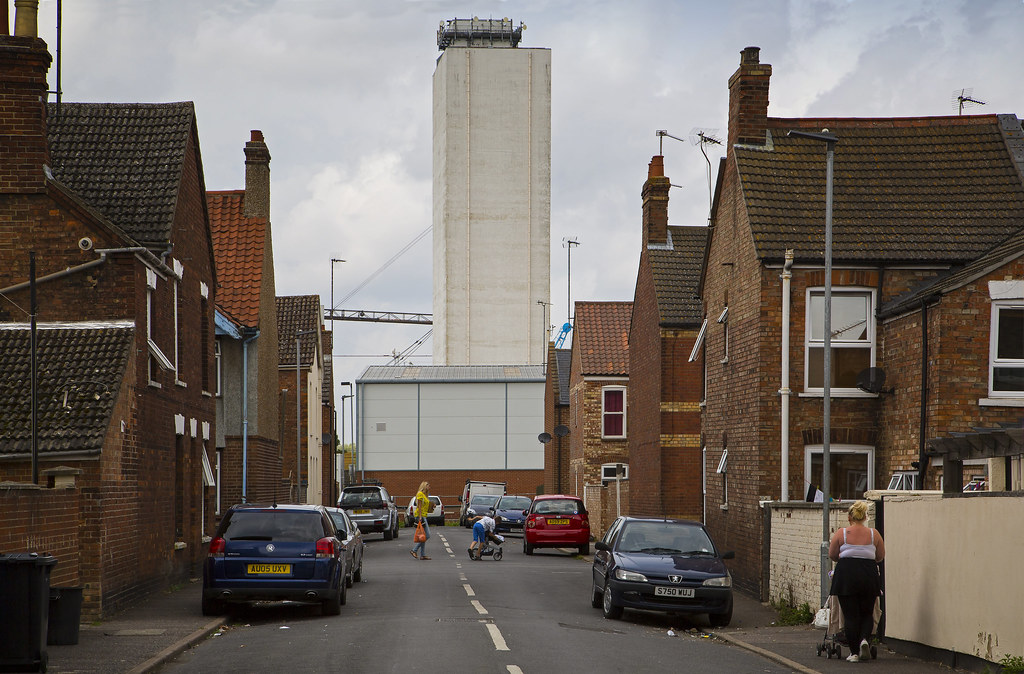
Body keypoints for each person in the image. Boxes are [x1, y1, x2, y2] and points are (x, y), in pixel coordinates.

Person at [828, 500, 885, 663]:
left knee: (851, 615)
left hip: (847, 575)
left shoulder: (842, 533)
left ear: (849, 517)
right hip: (868, 574)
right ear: (866, 517)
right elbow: (880, 556)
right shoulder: (874, 534)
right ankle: (864, 640)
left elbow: (833, 554)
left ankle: (854, 653)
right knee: (866, 612)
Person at [410, 481, 431, 560]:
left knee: (423, 536)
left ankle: (423, 555)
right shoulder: (420, 494)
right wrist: (420, 517)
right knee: (427, 535)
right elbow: (419, 506)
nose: (429, 487)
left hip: (424, 516)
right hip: (420, 516)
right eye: (428, 485)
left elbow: (425, 506)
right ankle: (414, 550)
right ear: (424, 486)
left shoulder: (425, 495)